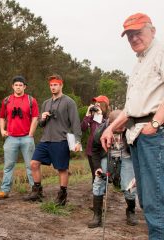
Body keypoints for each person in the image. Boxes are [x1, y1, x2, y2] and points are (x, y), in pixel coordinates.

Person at [100, 13, 164, 239]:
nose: (134, 38)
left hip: (154, 135)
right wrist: (110, 128)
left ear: (152, 30)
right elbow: (130, 108)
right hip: (136, 135)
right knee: (146, 199)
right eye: (129, 35)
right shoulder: (138, 63)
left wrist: (155, 124)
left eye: (138, 32)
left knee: (156, 201)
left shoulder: (160, 53)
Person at [24, 74, 82, 205]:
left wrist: (77, 140)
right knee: (33, 163)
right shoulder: (46, 103)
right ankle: (37, 192)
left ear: (61, 85)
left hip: (61, 140)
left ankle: (62, 196)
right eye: (51, 85)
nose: (53, 87)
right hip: (45, 139)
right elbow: (41, 124)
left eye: (55, 85)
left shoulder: (69, 102)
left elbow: (75, 122)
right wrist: (42, 118)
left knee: (62, 169)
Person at [88, 110, 138, 228]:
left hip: (127, 157)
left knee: (129, 186)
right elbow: (94, 152)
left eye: (123, 126)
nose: (121, 129)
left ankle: (131, 211)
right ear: (110, 123)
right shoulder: (99, 131)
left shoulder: (132, 128)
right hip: (107, 156)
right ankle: (97, 215)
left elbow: (139, 148)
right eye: (118, 127)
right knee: (98, 181)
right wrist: (97, 168)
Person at [0, 75, 39, 200]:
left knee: (30, 165)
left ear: (24, 87)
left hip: (26, 137)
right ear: (12, 86)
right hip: (11, 138)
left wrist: (31, 133)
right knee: (8, 166)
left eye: (21, 85)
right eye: (16, 85)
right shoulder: (6, 100)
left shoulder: (31, 100)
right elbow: (2, 117)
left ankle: (34, 190)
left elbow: (35, 117)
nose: (18, 87)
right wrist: (2, 130)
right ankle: (5, 190)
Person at [81, 95, 110, 183]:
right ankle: (96, 192)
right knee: (95, 173)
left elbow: (107, 127)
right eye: (95, 103)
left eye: (98, 103)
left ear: (104, 105)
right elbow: (83, 128)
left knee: (103, 172)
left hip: (103, 150)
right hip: (91, 150)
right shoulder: (92, 117)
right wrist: (87, 114)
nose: (96, 105)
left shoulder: (108, 118)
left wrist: (100, 116)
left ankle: (101, 190)